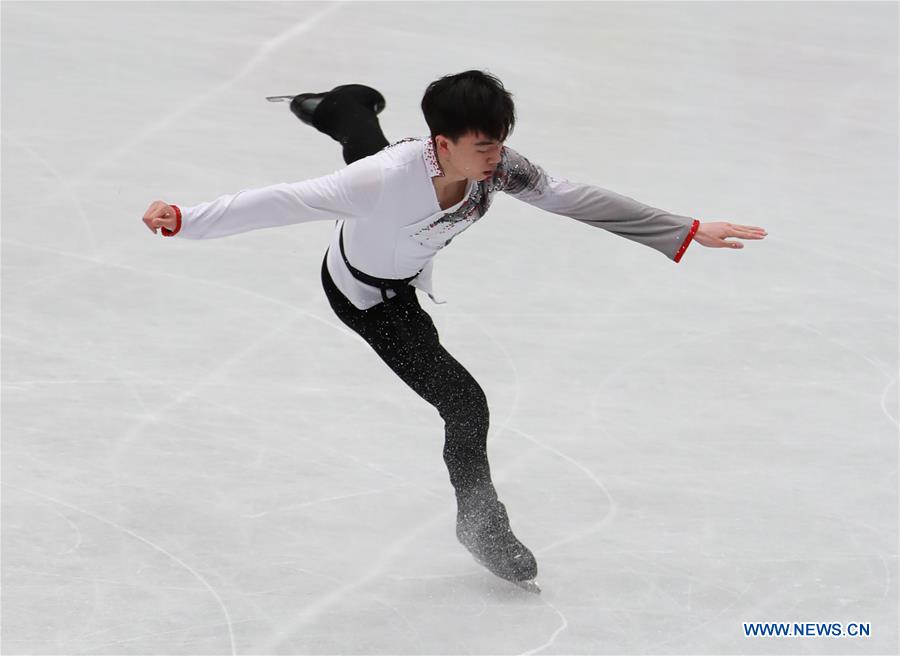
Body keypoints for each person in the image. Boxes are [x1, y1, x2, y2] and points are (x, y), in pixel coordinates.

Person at [142, 70, 767, 588]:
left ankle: (340, 104)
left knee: (361, 133)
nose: (495, 160)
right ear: (441, 144)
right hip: (366, 298)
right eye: (481, 148)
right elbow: (282, 201)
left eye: (499, 144)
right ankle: (481, 520)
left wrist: (681, 227)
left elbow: (573, 197)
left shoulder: (498, 167)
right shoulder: (381, 181)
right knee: (466, 403)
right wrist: (184, 218)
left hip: (402, 264)